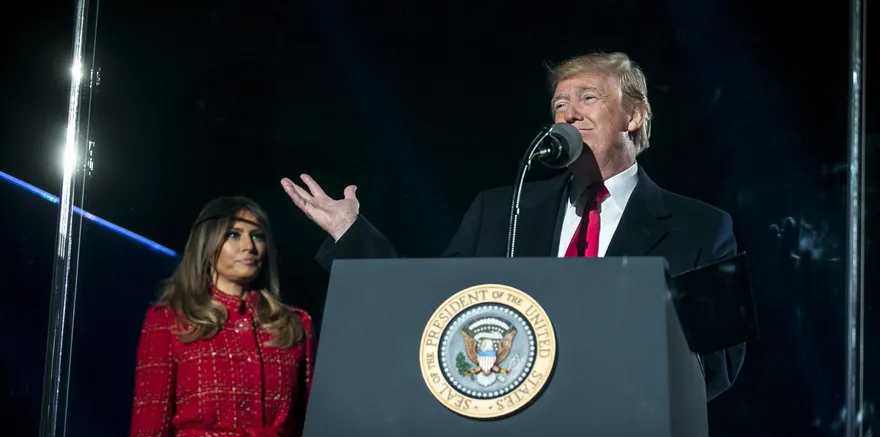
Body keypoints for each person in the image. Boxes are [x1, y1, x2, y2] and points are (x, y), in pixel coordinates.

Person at [281, 51, 744, 401]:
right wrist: (351, 234)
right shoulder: (501, 211)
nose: (568, 113)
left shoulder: (699, 227)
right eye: (559, 103)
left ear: (634, 115)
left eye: (588, 97)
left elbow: (716, 366)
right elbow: (430, 309)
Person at [127, 196, 321, 437]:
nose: (249, 246)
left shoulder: (295, 325)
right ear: (208, 243)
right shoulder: (169, 321)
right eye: (234, 234)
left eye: (257, 236)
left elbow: (311, 433)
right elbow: (149, 432)